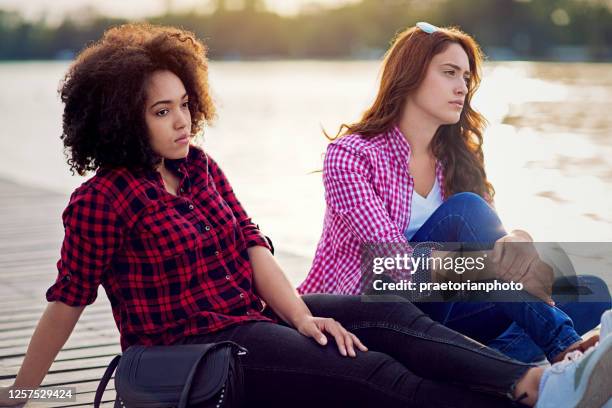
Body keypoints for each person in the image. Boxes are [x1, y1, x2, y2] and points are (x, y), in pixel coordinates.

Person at [0, 23, 610, 408]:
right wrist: (26, 389)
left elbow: (253, 246)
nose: (183, 121)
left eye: (185, 104)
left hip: (260, 314)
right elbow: (68, 299)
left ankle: (537, 379)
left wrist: (304, 315)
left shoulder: (199, 167)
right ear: (119, 121)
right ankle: (541, 390)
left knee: (396, 318)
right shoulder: (101, 201)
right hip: (200, 348)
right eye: (162, 112)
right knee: (370, 369)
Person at [298, 21, 611, 365]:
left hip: (441, 311)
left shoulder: (458, 158)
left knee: (589, 291)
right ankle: (559, 345)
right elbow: (394, 266)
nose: (461, 87)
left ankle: (488, 362)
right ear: (411, 74)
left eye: (466, 78)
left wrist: (516, 244)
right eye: (449, 72)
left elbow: (490, 243)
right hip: (368, 313)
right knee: (465, 211)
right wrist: (489, 263)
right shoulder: (351, 154)